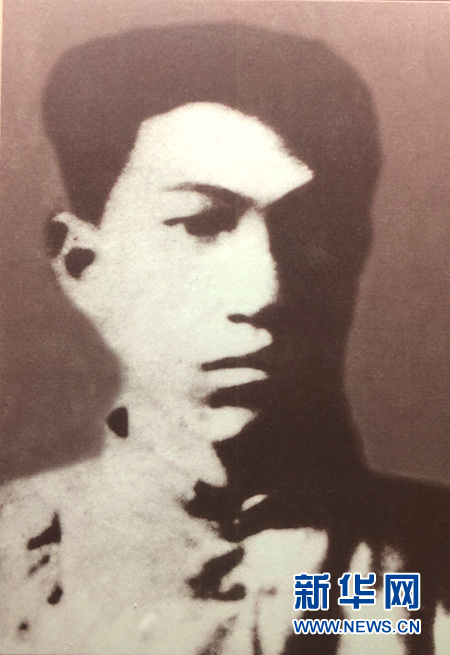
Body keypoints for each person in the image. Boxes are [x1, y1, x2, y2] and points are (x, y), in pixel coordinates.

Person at [0, 22, 448, 655]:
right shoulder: (11, 570)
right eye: (202, 223)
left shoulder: (423, 581)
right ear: (84, 264)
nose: (265, 290)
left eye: (310, 230)